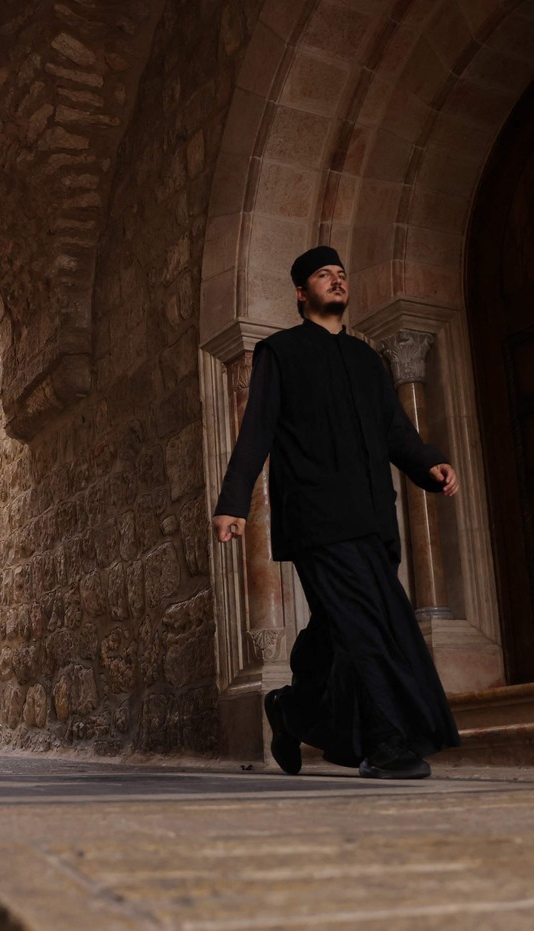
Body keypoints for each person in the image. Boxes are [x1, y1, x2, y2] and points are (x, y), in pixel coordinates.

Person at [211, 246, 461, 780]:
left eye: (342, 274)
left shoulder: (369, 360)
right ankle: (388, 742)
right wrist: (233, 504)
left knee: (337, 627)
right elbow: (256, 430)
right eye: (324, 275)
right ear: (302, 293)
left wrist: (430, 464)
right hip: (318, 519)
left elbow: (396, 431)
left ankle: (291, 709)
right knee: (372, 627)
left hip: (373, 519)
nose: (337, 280)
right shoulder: (280, 353)